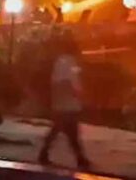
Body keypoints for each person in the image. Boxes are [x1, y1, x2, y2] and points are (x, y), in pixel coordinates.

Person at [38, 33, 90, 169]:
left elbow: (54, 81)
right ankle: (79, 158)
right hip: (69, 100)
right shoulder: (71, 62)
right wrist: (79, 93)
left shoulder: (59, 61)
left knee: (62, 128)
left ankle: (78, 158)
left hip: (60, 98)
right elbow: (73, 80)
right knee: (69, 129)